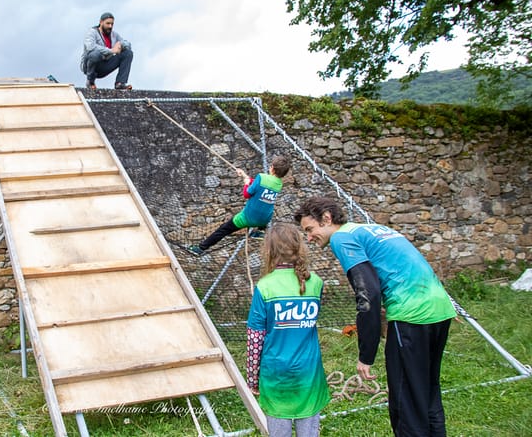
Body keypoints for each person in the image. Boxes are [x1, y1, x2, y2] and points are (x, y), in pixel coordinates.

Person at [293, 196, 456, 437]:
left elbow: (367, 295)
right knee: (427, 390)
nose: (309, 237)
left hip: (411, 316)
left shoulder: (342, 238)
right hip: (440, 310)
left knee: (406, 401)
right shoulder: (370, 229)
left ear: (326, 218)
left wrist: (366, 355)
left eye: (310, 229)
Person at [246, 222, 330, 437]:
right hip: (309, 370)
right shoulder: (316, 283)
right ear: (299, 247)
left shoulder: (264, 287)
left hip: (276, 373)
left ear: (269, 251)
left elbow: (255, 338)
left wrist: (253, 379)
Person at [188, 155, 290, 256]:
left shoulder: (261, 177)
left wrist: (246, 184)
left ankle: (200, 248)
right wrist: (245, 176)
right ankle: (260, 231)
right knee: (264, 211)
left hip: (248, 217)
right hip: (264, 220)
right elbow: (259, 184)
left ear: (272, 168)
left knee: (224, 229)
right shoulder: (279, 184)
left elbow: (246, 194)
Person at [80, 12, 133, 90]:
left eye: (112, 24)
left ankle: (120, 84)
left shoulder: (114, 35)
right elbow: (90, 47)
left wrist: (120, 44)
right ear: (101, 22)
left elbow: (128, 44)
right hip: (90, 66)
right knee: (95, 54)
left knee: (128, 53)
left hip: (104, 66)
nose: (110, 26)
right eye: (108, 23)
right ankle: (90, 81)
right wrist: (111, 51)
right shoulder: (92, 32)